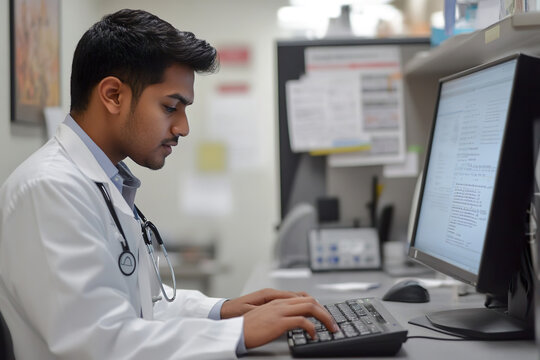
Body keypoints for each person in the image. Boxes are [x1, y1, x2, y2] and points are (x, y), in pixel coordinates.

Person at [0, 8, 338, 360]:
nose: (183, 128)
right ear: (113, 95)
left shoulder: (101, 182)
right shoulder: (48, 189)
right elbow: (99, 344)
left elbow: (146, 309)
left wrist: (224, 310)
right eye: (170, 107)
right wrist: (238, 332)